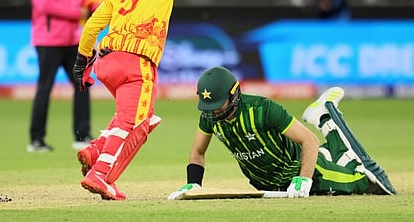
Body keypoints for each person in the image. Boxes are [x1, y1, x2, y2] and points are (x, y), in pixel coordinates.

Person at [72, 0, 221, 200]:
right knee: (134, 122)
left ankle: (96, 150)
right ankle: (100, 174)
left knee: (135, 115)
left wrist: (82, 61)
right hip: (136, 62)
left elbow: (93, 25)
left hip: (107, 62)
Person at [168, 66, 396, 200]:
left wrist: (304, 179)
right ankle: (332, 149)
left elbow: (309, 140)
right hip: (267, 184)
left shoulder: (263, 110)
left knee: (362, 183)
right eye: (209, 107)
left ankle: (325, 116)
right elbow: (197, 152)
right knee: (329, 156)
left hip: (304, 170)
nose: (214, 112)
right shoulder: (209, 116)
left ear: (235, 94)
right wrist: (194, 184)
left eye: (218, 105)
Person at [26, 0, 103, 153]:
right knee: (45, 88)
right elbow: (44, 5)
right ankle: (36, 140)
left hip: (74, 40)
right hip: (49, 40)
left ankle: (82, 135)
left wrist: (99, 9)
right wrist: (78, 14)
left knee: (82, 85)